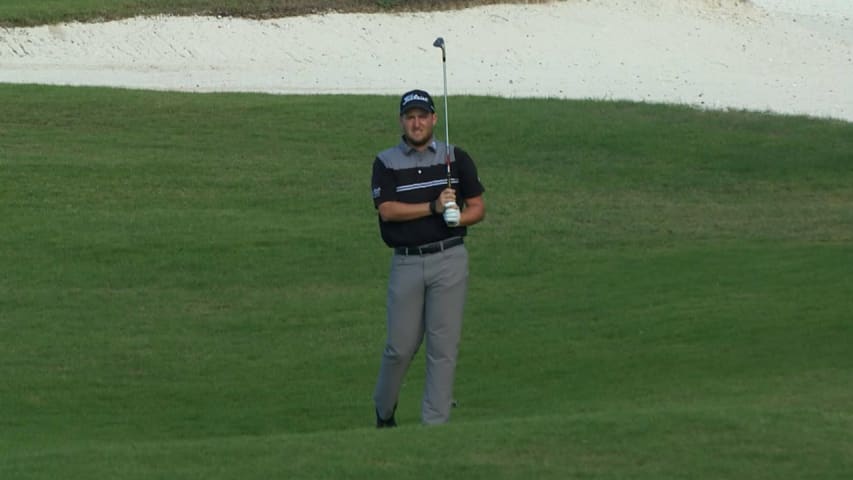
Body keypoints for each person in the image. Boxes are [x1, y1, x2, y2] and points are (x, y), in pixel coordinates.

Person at [370, 89, 486, 427]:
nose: (417, 123)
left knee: (443, 346)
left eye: (423, 116)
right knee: (400, 347)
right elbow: (387, 210)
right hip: (406, 262)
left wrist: (458, 218)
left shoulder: (455, 158)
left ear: (434, 119)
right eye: (410, 117)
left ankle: (434, 426)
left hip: (449, 259)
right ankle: (384, 410)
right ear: (402, 122)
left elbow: (477, 207)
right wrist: (432, 207)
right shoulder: (386, 162)